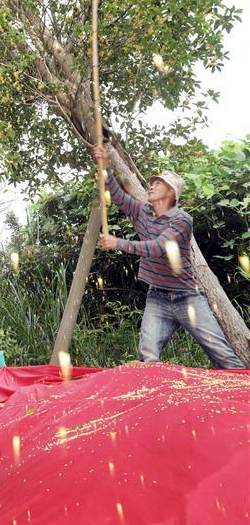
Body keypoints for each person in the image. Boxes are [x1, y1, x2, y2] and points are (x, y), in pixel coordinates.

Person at [92, 144, 244, 368]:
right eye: (151, 183)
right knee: (148, 357)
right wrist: (106, 168)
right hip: (157, 297)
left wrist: (118, 243)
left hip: (188, 298)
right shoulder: (142, 211)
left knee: (223, 357)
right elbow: (118, 197)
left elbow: (159, 247)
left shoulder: (182, 220)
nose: (151, 187)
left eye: (157, 184)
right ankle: (154, 399)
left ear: (171, 192)